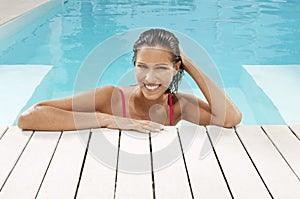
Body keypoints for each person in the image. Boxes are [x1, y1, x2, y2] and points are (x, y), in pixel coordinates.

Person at [18, 28, 242, 133]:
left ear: (175, 68)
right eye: (142, 67)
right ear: (134, 65)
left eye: (161, 68)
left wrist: (189, 64)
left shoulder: (178, 106)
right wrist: (109, 120)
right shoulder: (110, 97)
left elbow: (231, 118)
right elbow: (29, 117)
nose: (150, 78)